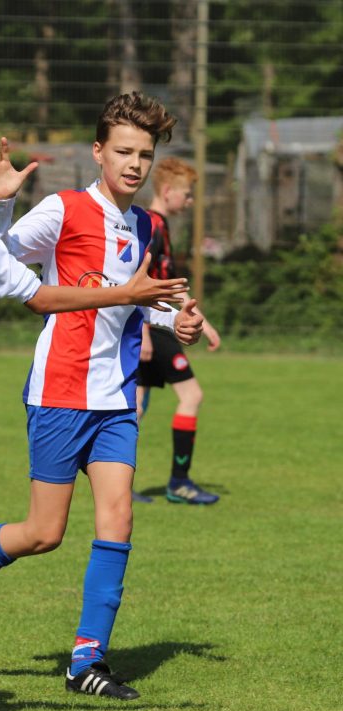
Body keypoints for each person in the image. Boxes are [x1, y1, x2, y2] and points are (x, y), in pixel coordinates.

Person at [0, 144, 188, 711]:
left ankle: (86, 662)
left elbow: (129, 301)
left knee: (119, 518)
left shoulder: (146, 224)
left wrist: (169, 318)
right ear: (99, 152)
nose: (135, 164)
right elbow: (7, 266)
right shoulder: (61, 208)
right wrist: (2, 208)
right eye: (124, 151)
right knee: (43, 533)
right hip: (58, 390)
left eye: (145, 154)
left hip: (115, 396)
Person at [134, 157, 221, 505]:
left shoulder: (159, 226)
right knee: (191, 396)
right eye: (187, 195)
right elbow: (134, 282)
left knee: (135, 407)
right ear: (168, 192)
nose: (190, 202)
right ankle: (179, 482)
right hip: (154, 328)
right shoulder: (151, 226)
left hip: (154, 326)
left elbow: (171, 287)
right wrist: (140, 330)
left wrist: (206, 324)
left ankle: (118, 484)